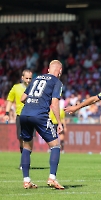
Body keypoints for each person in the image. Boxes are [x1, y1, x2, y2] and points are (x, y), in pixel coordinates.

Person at [19, 60, 64, 189]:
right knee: (55, 145)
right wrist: (59, 123)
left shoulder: (36, 78)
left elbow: (22, 98)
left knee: (27, 147)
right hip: (39, 115)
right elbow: (54, 104)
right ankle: (52, 178)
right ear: (60, 71)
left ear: (49, 69)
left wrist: (32, 104)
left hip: (24, 114)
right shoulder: (57, 82)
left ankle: (26, 180)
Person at [3, 69, 36, 170]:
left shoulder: (35, 87)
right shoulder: (16, 88)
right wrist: (7, 113)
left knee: (29, 139)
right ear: (22, 78)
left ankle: (25, 161)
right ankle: (24, 160)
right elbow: (9, 100)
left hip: (32, 116)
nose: (28, 80)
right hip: (20, 115)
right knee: (21, 138)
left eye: (30, 78)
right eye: (26, 78)